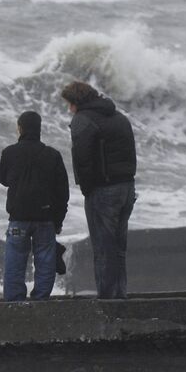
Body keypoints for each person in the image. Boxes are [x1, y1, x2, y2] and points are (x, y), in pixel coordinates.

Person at [60, 81, 138, 299]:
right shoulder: (119, 117)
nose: (69, 109)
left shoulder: (83, 120)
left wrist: (86, 188)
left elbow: (82, 159)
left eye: (69, 104)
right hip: (127, 187)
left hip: (103, 191)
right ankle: (119, 295)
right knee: (119, 247)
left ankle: (106, 300)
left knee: (103, 248)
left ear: (76, 102)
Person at [0, 110, 69, 300]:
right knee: (45, 260)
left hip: (18, 220)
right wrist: (58, 221)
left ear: (20, 128)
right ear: (39, 129)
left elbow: (2, 177)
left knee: (15, 260)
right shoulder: (52, 155)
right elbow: (62, 192)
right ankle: (41, 299)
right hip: (45, 220)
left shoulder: (10, 153)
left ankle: (14, 302)